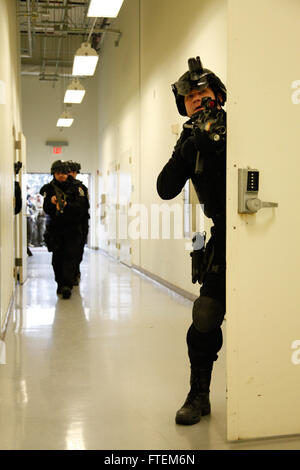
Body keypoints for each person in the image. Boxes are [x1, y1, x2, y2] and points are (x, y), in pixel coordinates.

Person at [156, 56, 226, 425]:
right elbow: (165, 189)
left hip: (262, 231)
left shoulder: (241, 125)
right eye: (190, 97)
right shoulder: (189, 139)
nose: (198, 99)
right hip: (224, 238)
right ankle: (199, 395)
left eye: (204, 92)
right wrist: (187, 146)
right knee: (205, 316)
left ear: (218, 94)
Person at [40, 160, 88, 299]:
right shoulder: (49, 189)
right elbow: (46, 208)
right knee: (57, 259)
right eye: (58, 173)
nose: (61, 176)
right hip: (56, 229)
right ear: (54, 173)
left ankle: (67, 285)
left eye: (64, 173)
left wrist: (67, 204)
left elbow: (82, 207)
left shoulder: (77, 188)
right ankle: (60, 284)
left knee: (70, 257)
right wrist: (52, 202)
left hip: (73, 229)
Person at [66, 161, 90, 285]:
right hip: (66, 225)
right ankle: (68, 276)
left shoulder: (81, 188)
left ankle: (75, 272)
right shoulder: (61, 186)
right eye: (69, 172)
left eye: (74, 172)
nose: (71, 174)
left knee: (78, 251)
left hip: (80, 224)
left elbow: (85, 206)